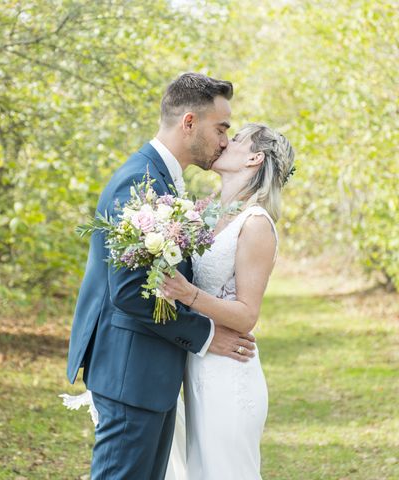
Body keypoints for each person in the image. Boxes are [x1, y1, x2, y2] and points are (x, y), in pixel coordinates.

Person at [65, 72, 257, 480]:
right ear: (189, 122)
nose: (225, 140)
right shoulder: (141, 180)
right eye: (221, 128)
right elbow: (131, 291)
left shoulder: (165, 178)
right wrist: (207, 335)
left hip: (150, 373)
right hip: (130, 371)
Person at [161, 122, 295, 479]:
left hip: (229, 374)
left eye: (236, 139)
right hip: (197, 365)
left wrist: (187, 293)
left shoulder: (256, 224)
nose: (224, 142)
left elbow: (247, 314)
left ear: (254, 157)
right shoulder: (207, 216)